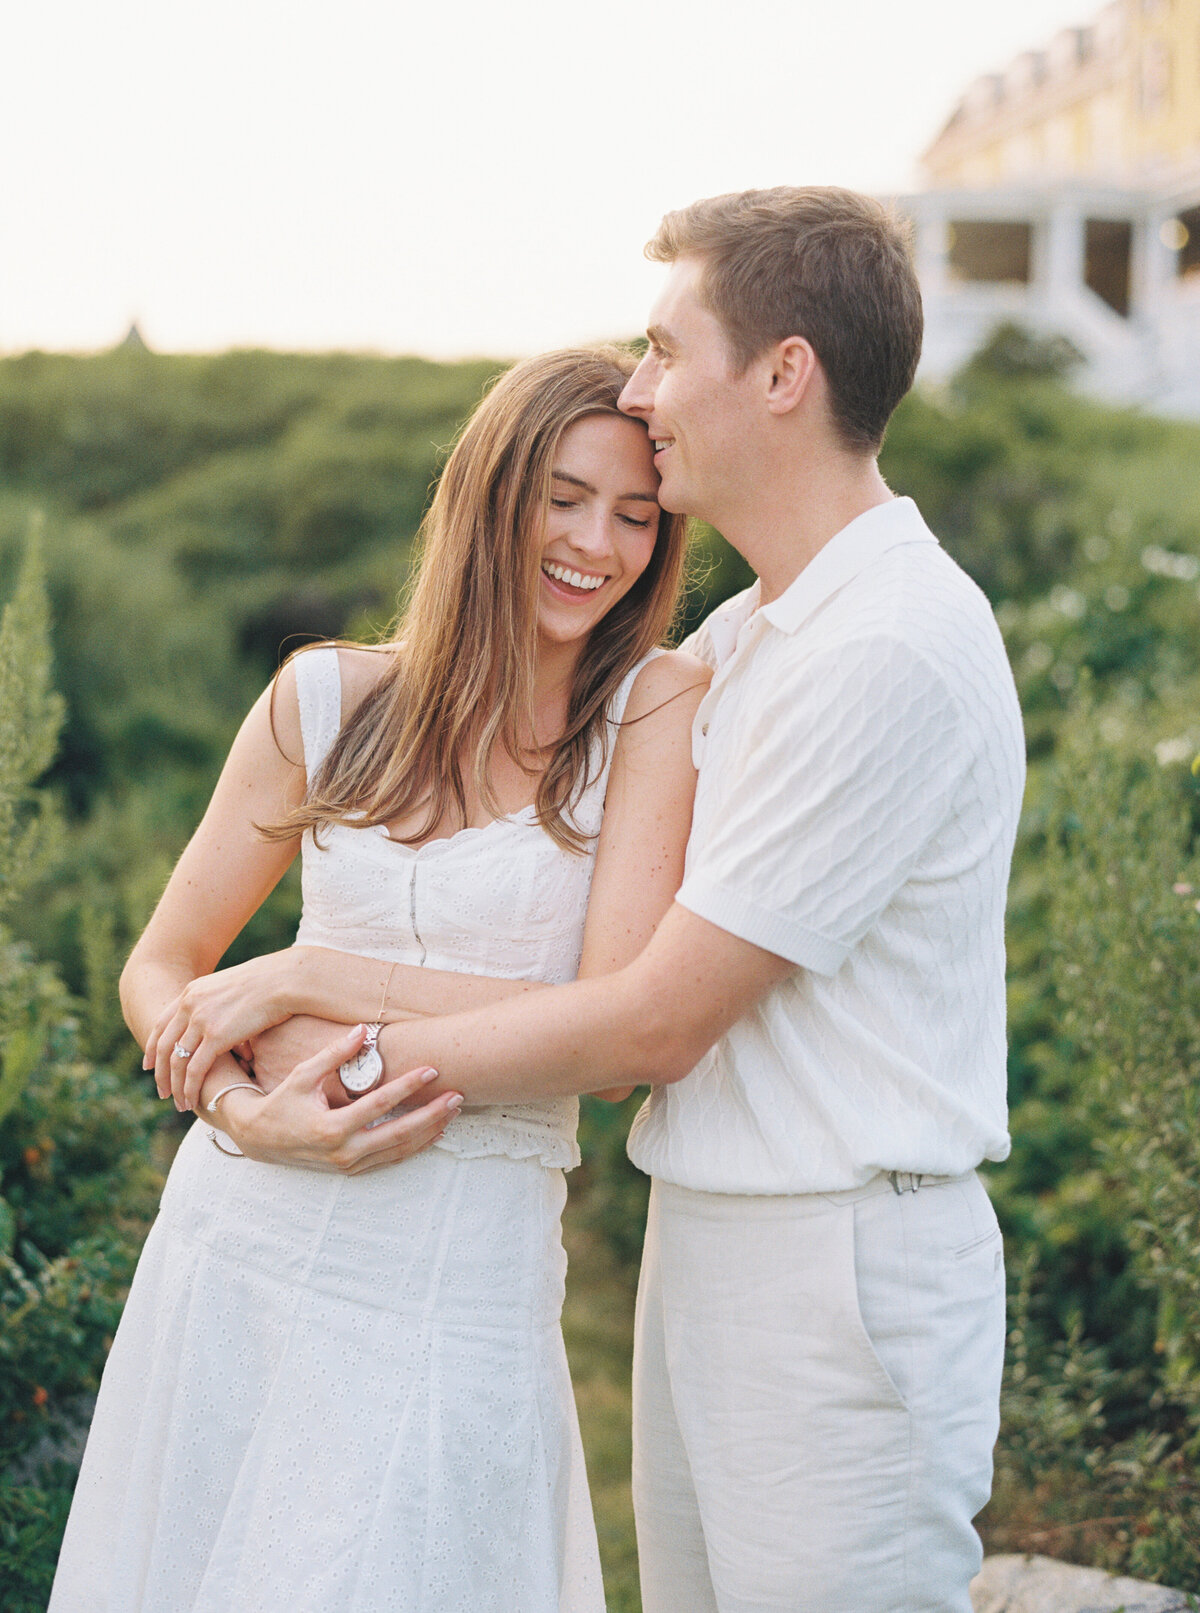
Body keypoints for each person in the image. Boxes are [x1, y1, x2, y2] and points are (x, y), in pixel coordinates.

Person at [193, 187, 1027, 1613]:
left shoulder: (885, 644)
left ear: (783, 372)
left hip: (835, 1258)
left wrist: (310, 1008)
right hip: (719, 1238)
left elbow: (648, 1023)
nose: (641, 389)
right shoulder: (754, 633)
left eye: (666, 348)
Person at [48, 346, 709, 1613]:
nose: (599, 545)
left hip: (460, 1270)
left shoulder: (652, 711)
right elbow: (163, 967)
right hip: (241, 1240)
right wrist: (245, 1114)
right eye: (564, 498)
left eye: (637, 515)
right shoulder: (324, 696)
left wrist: (313, 971)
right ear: (490, 492)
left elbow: (613, 1037)